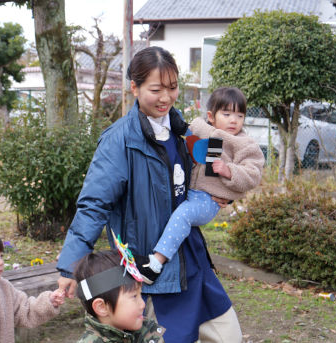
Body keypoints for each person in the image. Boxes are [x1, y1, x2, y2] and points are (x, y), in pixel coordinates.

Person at [56, 46, 243, 342]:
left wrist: (225, 193)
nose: (166, 97)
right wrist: (69, 266)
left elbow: (214, 169)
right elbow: (93, 206)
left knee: (229, 335)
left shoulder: (186, 130)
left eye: (172, 87)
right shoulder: (118, 141)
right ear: (134, 87)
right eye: (156, 89)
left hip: (192, 259)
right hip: (152, 272)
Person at [145, 87, 264, 284]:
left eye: (239, 115)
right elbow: (185, 130)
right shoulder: (203, 132)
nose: (233, 120)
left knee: (183, 215)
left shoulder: (244, 144)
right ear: (211, 116)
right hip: (188, 191)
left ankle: (156, 263)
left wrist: (229, 170)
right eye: (226, 114)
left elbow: (253, 175)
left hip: (207, 200)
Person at [73, 249, 165, 342]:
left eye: (139, 294)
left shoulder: (145, 332)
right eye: (134, 296)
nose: (142, 304)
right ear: (102, 307)